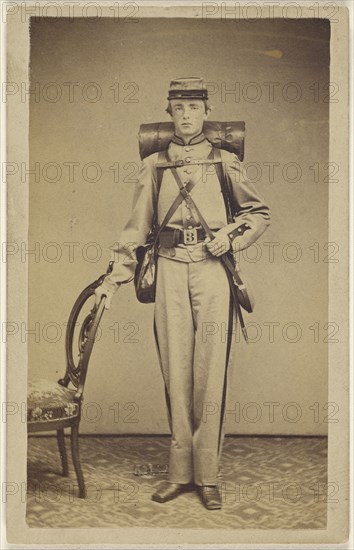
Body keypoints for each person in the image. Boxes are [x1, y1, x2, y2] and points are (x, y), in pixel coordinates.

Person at [95, 77, 271, 510]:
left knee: (211, 376)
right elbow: (136, 227)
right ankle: (178, 474)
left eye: (194, 106)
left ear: (206, 111)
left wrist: (231, 238)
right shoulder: (153, 163)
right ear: (169, 112)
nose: (187, 114)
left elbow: (258, 213)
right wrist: (114, 279)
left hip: (213, 273)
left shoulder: (226, 161)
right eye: (179, 106)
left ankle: (207, 476)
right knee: (176, 373)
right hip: (170, 270)